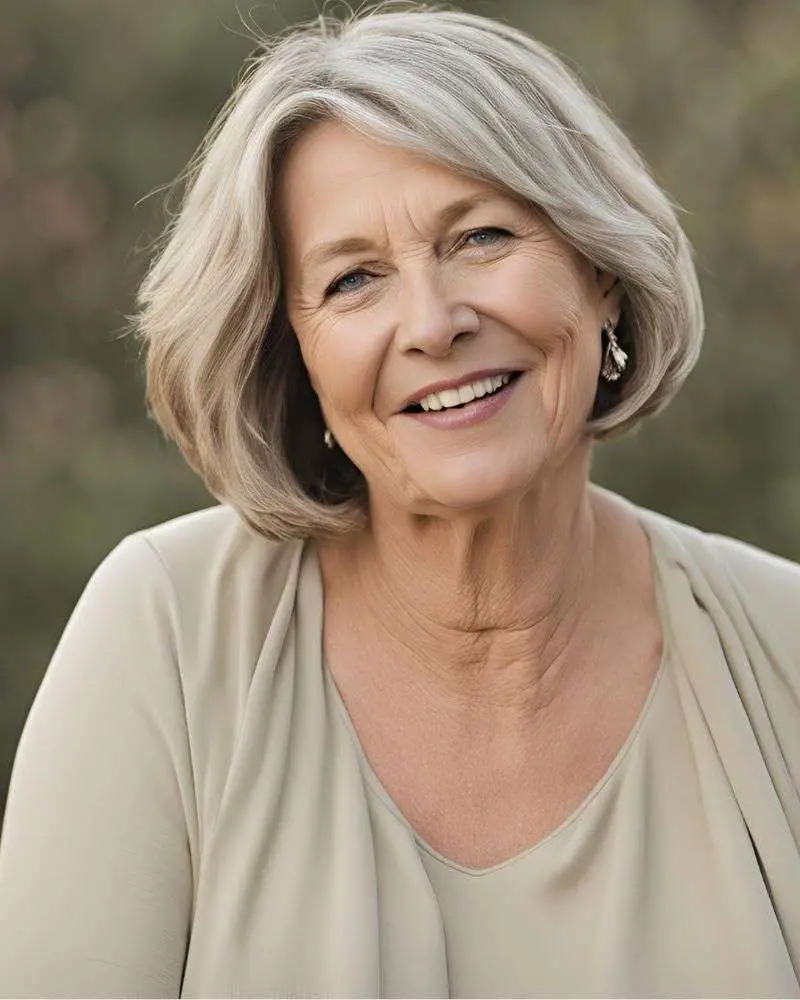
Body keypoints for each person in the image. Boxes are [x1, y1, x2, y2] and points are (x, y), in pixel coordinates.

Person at [1, 4, 799, 997]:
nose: (432, 322)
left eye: (481, 237)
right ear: (292, 357)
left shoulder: (780, 649)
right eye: (353, 281)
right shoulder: (168, 634)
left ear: (598, 272)